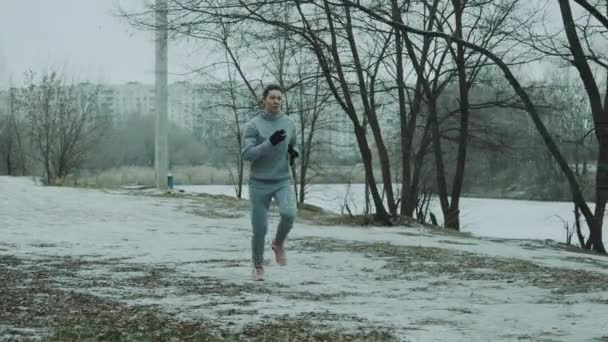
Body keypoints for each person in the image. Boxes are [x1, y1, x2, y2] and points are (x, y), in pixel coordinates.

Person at [241, 84, 299, 281]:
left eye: (279, 99)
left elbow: (292, 143)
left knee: (289, 214)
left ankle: (278, 243)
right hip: (259, 183)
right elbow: (248, 154)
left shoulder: (289, 122)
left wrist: (293, 152)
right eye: (272, 98)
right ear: (264, 100)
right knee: (260, 229)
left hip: (282, 179)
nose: (276, 101)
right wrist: (269, 143)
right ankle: (257, 266)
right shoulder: (253, 125)